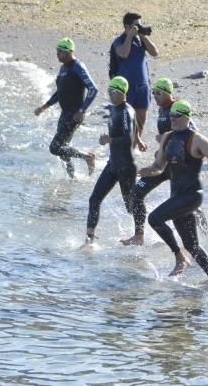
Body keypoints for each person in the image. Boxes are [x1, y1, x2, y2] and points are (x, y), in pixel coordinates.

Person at [137, 100, 208, 278]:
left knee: (154, 218)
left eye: (176, 116)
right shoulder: (167, 137)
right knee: (192, 245)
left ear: (186, 117)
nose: (172, 119)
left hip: (192, 195)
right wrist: (151, 171)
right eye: (171, 116)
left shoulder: (197, 139)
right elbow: (159, 166)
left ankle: (179, 257)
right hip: (177, 196)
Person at [122, 77, 208, 247]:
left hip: (180, 168)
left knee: (186, 206)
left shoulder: (178, 109)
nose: (155, 96)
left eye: (159, 93)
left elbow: (194, 134)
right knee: (136, 193)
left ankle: (207, 236)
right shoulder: (162, 110)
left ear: (169, 93)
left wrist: (167, 139)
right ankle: (139, 235)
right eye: (153, 93)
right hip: (163, 166)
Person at [86, 76, 147, 245]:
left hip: (126, 165)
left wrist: (108, 140)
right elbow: (132, 131)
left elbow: (127, 138)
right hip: (113, 164)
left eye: (113, 92)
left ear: (121, 93)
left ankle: (140, 236)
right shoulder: (114, 109)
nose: (110, 95)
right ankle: (89, 239)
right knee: (94, 199)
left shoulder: (126, 111)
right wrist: (139, 139)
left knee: (131, 205)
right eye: (109, 92)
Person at [35, 37, 98, 178]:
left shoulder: (78, 66)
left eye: (60, 51)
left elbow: (93, 89)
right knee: (63, 149)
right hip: (65, 114)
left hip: (74, 114)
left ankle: (87, 157)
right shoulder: (63, 68)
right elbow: (60, 92)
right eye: (57, 51)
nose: (57, 54)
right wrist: (44, 107)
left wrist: (82, 110)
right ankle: (72, 178)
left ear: (68, 52)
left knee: (55, 148)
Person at [110, 12, 159, 135]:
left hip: (143, 86)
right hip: (126, 88)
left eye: (140, 24)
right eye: (136, 25)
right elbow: (123, 54)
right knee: (126, 121)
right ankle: (124, 148)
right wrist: (129, 37)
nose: (139, 27)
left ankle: (135, 148)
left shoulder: (140, 40)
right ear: (127, 27)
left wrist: (143, 36)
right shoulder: (119, 40)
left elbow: (155, 53)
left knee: (140, 122)